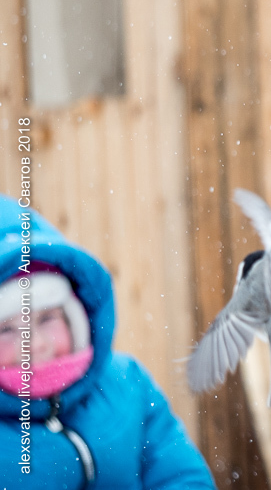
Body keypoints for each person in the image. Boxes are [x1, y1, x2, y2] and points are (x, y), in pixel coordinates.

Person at [0, 195, 215, 488]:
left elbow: (181, 476)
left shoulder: (126, 383)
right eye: (7, 331)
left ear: (73, 317)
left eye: (47, 319)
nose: (35, 345)